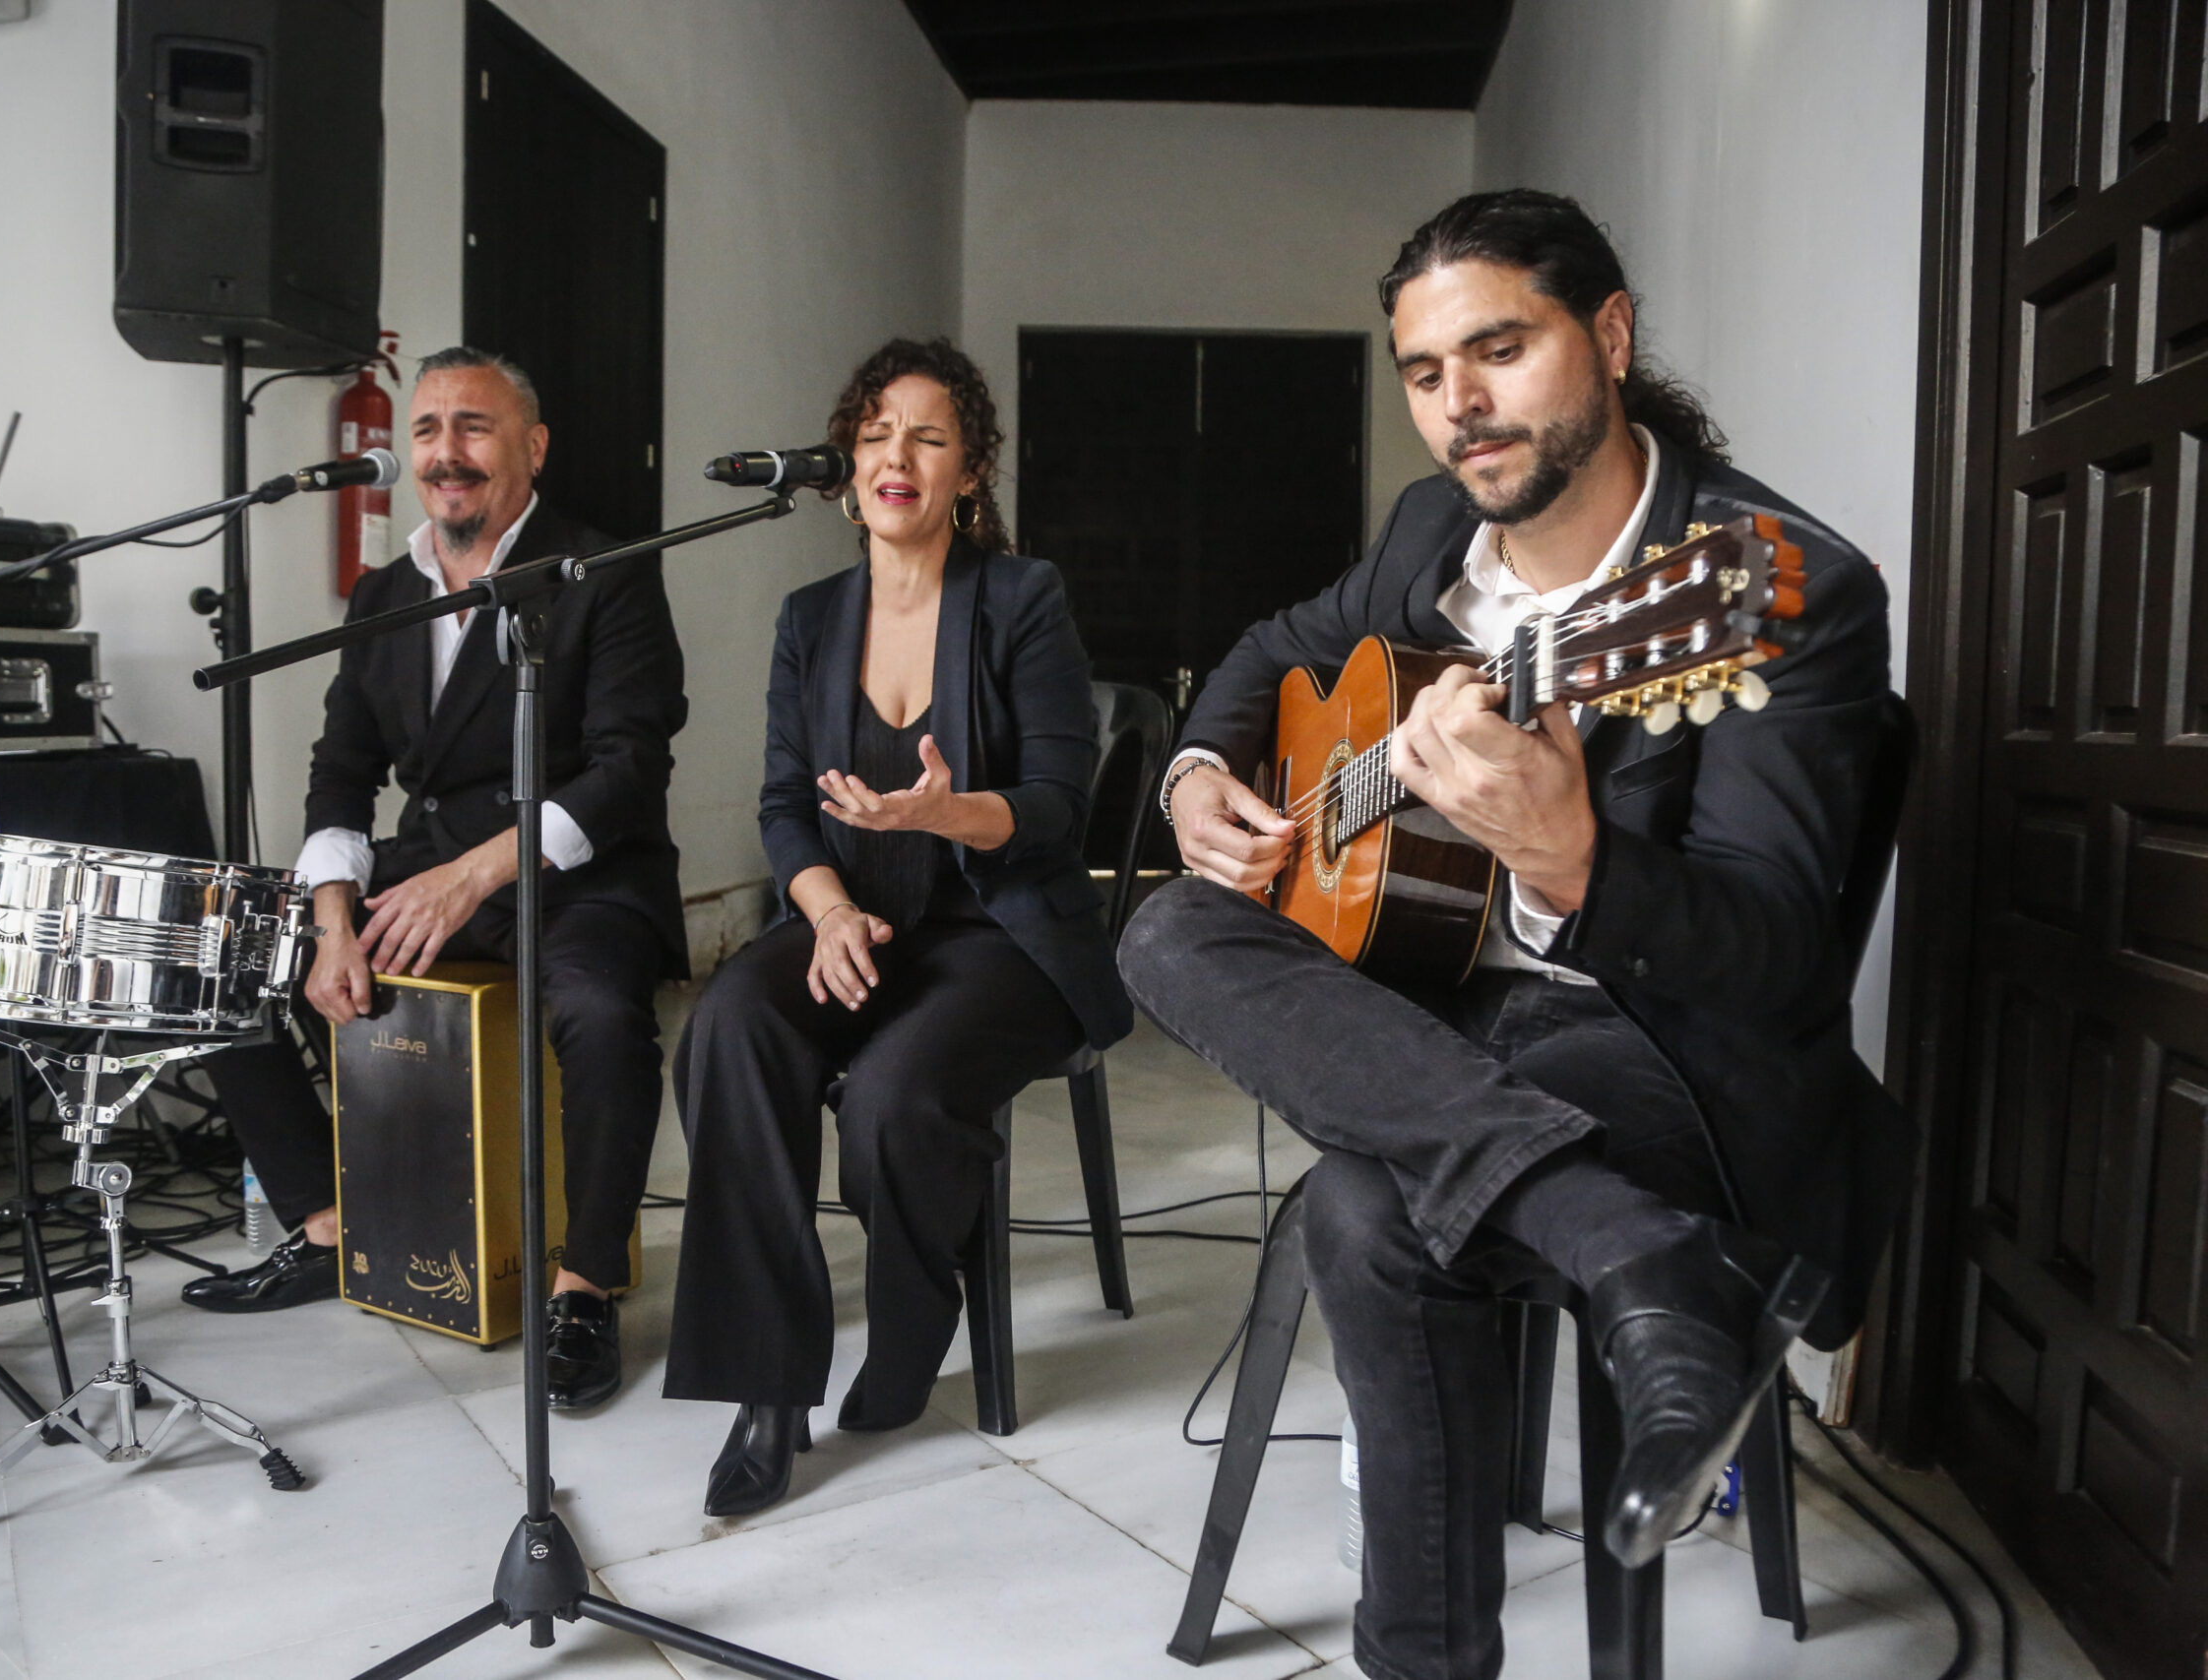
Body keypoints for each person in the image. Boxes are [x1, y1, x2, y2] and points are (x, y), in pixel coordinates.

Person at [1117, 190, 1917, 1680]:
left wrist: (1573, 855)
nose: (1459, 407)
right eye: (1425, 372)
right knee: (1167, 928)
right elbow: (1272, 649)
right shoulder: (1434, 526)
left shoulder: (1768, 583)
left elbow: (1780, 962)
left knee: (1369, 1210)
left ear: (1607, 336)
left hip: (1663, 1045)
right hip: (1443, 1011)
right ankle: (1631, 1252)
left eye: (1499, 349)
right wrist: (1202, 772)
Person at [662, 337, 1133, 1517]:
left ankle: (918, 1316)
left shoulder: (1023, 598)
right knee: (728, 1027)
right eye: (876, 434)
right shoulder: (809, 617)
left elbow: (1059, 807)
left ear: (969, 471)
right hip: (855, 915)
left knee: (892, 1094)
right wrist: (819, 914)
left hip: (997, 929)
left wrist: (947, 812)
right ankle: (767, 1385)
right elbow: (784, 805)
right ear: (842, 466)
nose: (897, 456)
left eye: (928, 435)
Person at [184, 345, 689, 1415]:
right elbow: (341, 773)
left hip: (578, 869)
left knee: (600, 1011)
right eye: (426, 431)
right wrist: (330, 919)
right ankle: (324, 1226)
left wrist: (472, 877)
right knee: (226, 953)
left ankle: (583, 1286)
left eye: (473, 427)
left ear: (531, 446)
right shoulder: (383, 591)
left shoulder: (605, 569)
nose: (445, 453)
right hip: (430, 867)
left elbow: (628, 769)